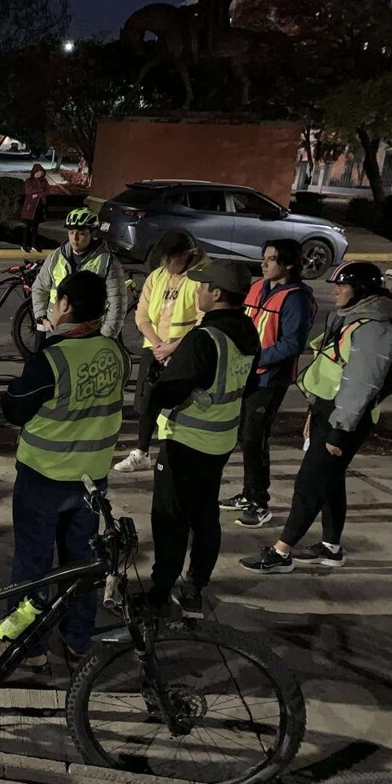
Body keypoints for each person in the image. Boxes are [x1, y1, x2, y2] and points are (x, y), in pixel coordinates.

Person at [241, 262, 392, 575]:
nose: (335, 290)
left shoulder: (373, 329)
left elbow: (361, 386)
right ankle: (330, 548)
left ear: (360, 291)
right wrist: (313, 412)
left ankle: (282, 551)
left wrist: (338, 432)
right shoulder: (354, 319)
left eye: (341, 285)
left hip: (344, 417)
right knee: (330, 482)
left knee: (309, 482)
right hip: (329, 410)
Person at [3, 271, 128, 669]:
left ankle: (30, 647)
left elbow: (14, 408)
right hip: (92, 480)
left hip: (44, 477)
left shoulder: (50, 360)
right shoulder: (116, 354)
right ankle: (77, 643)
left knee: (32, 566)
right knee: (81, 565)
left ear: (67, 306)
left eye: (57, 302)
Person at [145, 260, 259, 615]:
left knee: (170, 519)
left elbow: (168, 393)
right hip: (220, 441)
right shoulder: (247, 333)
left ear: (218, 293)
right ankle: (195, 585)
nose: (197, 290)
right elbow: (249, 383)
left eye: (203, 285)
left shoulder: (204, 338)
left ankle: (160, 593)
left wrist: (156, 382)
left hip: (187, 443)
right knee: (205, 515)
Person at [222, 240, 315, 527]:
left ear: (288, 265)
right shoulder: (257, 287)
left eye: (271, 259)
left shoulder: (296, 298)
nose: (264, 264)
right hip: (247, 374)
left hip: (269, 378)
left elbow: (292, 343)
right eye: (263, 258)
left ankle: (260, 501)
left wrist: (256, 357)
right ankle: (249, 492)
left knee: (255, 438)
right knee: (244, 436)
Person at [114, 230, 209, 473]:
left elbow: (204, 319)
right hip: (155, 349)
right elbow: (142, 316)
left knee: (179, 406)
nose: (166, 266)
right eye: (163, 260)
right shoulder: (156, 277)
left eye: (171, 260)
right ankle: (141, 451)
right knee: (147, 401)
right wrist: (158, 345)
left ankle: (175, 453)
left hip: (184, 351)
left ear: (186, 255)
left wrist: (173, 347)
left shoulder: (199, 278)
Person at [31, 208, 126, 341]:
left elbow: (117, 302)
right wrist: (42, 318)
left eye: (81, 234)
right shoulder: (56, 256)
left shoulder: (107, 261)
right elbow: (39, 288)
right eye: (71, 232)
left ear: (92, 234)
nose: (74, 238)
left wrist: (106, 335)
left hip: (89, 332)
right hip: (56, 328)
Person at [19, 165, 49, 252]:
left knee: (36, 227)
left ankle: (34, 244)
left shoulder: (44, 181)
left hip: (39, 207)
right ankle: (24, 244)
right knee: (28, 227)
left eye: (41, 172)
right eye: (37, 172)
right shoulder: (29, 181)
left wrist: (38, 194)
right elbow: (29, 192)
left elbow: (47, 191)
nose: (39, 174)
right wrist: (41, 190)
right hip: (30, 208)